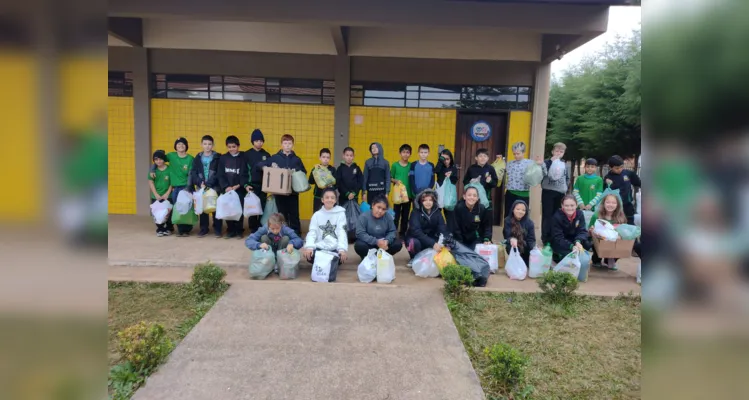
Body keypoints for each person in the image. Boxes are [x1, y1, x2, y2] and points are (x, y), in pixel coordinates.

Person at [151, 137, 195, 236]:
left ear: (186, 146)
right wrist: (152, 169)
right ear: (175, 146)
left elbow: (190, 174)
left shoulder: (190, 158)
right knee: (178, 209)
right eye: (178, 144)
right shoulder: (171, 156)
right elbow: (158, 158)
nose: (181, 146)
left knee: (187, 209)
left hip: (186, 187)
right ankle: (180, 230)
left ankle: (187, 230)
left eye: (183, 144)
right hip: (176, 188)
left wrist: (188, 187)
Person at [266, 134, 306, 235]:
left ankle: (296, 233)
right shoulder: (275, 158)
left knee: (294, 213)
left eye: (289, 143)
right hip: (279, 193)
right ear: (281, 144)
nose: (287, 145)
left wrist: (295, 171)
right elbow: (263, 166)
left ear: (293, 145)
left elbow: (303, 172)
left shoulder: (297, 159)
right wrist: (272, 167)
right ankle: (282, 233)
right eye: (285, 143)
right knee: (281, 214)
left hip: (293, 192)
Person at [301, 188, 349, 264]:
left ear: (336, 200)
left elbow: (342, 232)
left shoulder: (340, 214)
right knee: (310, 256)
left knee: (340, 257)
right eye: (327, 197)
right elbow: (312, 232)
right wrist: (309, 247)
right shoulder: (317, 215)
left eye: (332, 198)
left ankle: (326, 261)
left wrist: (342, 249)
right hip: (320, 247)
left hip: (334, 248)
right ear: (322, 200)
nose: (329, 200)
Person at [187, 135, 222, 238]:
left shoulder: (217, 157)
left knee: (215, 207)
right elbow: (194, 172)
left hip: (214, 186)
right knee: (202, 208)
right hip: (201, 186)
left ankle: (217, 228)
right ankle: (204, 228)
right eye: (205, 144)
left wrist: (209, 184)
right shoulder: (197, 157)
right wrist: (199, 183)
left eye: (210, 144)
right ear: (201, 144)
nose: (207, 146)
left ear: (213, 145)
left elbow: (219, 172)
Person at [216, 135, 250, 239]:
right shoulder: (223, 158)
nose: (232, 149)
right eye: (229, 147)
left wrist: (239, 185)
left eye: (234, 146)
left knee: (238, 209)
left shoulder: (243, 157)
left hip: (239, 189)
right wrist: (226, 186)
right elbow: (220, 174)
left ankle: (239, 230)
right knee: (228, 210)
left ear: (238, 146)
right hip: (227, 189)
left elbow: (245, 173)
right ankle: (230, 230)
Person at [404, 189, 446, 267]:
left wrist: (443, 241)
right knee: (413, 242)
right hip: (418, 239)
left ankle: (429, 257)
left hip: (431, 239)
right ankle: (414, 257)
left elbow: (442, 227)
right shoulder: (415, 212)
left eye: (430, 200)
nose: (428, 202)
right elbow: (416, 231)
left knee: (444, 243)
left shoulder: (437, 212)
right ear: (420, 201)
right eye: (425, 200)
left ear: (434, 201)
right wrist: (432, 243)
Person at [354, 195, 403, 260]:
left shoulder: (388, 216)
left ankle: (382, 257)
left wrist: (387, 241)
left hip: (383, 245)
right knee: (359, 245)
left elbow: (392, 231)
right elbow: (360, 233)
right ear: (373, 205)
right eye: (378, 207)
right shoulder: (363, 217)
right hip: (369, 244)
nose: (380, 211)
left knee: (398, 244)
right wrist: (376, 241)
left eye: (383, 209)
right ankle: (367, 258)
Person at [504, 142, 545, 218]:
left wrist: (541, 164)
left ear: (523, 152)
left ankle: (522, 230)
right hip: (510, 192)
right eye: (514, 154)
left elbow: (543, 173)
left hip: (523, 193)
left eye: (518, 153)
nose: (516, 156)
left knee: (522, 216)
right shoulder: (509, 164)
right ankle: (507, 230)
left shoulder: (530, 163)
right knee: (508, 214)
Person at [588, 193, 628, 270]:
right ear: (603, 203)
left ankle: (609, 259)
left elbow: (624, 231)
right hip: (599, 241)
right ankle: (596, 259)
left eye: (613, 203)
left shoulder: (621, 217)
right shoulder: (596, 215)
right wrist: (591, 230)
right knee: (596, 243)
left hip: (614, 242)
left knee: (622, 243)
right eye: (608, 202)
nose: (610, 205)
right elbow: (589, 232)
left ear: (617, 205)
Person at [541, 142, 570, 244]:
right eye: (557, 151)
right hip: (548, 191)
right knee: (547, 215)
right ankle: (546, 238)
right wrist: (550, 162)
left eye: (561, 152)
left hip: (560, 192)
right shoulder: (546, 162)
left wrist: (565, 188)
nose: (558, 153)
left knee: (557, 215)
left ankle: (555, 236)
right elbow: (543, 173)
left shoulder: (564, 164)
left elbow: (567, 178)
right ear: (552, 151)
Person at [550, 194, 592, 261]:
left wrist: (578, 242)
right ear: (562, 205)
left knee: (587, 244)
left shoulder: (580, 214)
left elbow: (582, 231)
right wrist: (571, 246)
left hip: (574, 240)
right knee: (568, 256)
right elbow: (558, 238)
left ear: (576, 205)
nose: (569, 208)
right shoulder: (556, 217)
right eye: (566, 205)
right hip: (562, 242)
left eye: (572, 205)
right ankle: (557, 255)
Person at [245, 129, 271, 233]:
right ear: (252, 142)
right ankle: (252, 228)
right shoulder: (247, 154)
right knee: (252, 207)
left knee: (262, 206)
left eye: (261, 141)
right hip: (251, 185)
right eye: (256, 141)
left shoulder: (267, 155)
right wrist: (246, 184)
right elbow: (244, 171)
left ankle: (261, 227)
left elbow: (270, 172)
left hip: (263, 185)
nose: (259, 143)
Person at [604, 155, 642, 225]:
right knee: (617, 223)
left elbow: (639, 183)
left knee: (630, 222)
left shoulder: (628, 173)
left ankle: (631, 235)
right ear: (611, 168)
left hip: (627, 204)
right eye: (617, 168)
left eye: (621, 167)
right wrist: (607, 183)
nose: (620, 169)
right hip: (615, 206)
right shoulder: (608, 178)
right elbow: (605, 192)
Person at [503, 200, 536, 265]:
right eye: (518, 209)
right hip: (513, 246)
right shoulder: (507, 220)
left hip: (525, 248)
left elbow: (531, 239)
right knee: (511, 245)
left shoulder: (530, 223)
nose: (520, 212)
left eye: (523, 210)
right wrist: (512, 239)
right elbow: (507, 235)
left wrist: (534, 248)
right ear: (513, 210)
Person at [148, 150, 173, 237]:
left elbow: (171, 183)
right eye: (156, 159)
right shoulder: (153, 171)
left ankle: (169, 228)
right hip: (156, 196)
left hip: (168, 196)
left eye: (160, 159)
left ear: (164, 159)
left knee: (168, 213)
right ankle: (160, 228)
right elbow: (151, 182)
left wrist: (167, 193)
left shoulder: (170, 169)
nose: (159, 161)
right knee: (157, 213)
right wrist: (156, 194)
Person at [390, 144, 412, 237]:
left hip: (408, 194)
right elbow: (390, 177)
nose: (405, 154)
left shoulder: (411, 165)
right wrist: (395, 181)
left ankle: (402, 234)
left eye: (407, 152)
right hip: (397, 195)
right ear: (400, 153)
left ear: (410, 154)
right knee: (396, 215)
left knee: (405, 215)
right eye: (403, 152)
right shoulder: (395, 165)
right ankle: (393, 234)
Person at [435, 148, 459, 229]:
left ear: (451, 159)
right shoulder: (440, 167)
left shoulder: (453, 168)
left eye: (447, 159)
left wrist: (451, 176)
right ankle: (437, 231)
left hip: (448, 194)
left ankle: (450, 233)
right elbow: (436, 170)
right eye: (443, 159)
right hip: (439, 192)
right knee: (437, 212)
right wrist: (440, 161)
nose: (445, 161)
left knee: (449, 213)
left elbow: (455, 180)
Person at [308, 148, 337, 212]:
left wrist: (331, 185)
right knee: (317, 215)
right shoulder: (316, 169)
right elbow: (310, 181)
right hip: (318, 196)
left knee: (329, 216)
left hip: (329, 198)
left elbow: (336, 183)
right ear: (320, 158)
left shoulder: (332, 170)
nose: (325, 159)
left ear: (330, 159)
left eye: (327, 157)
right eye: (323, 157)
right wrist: (314, 173)